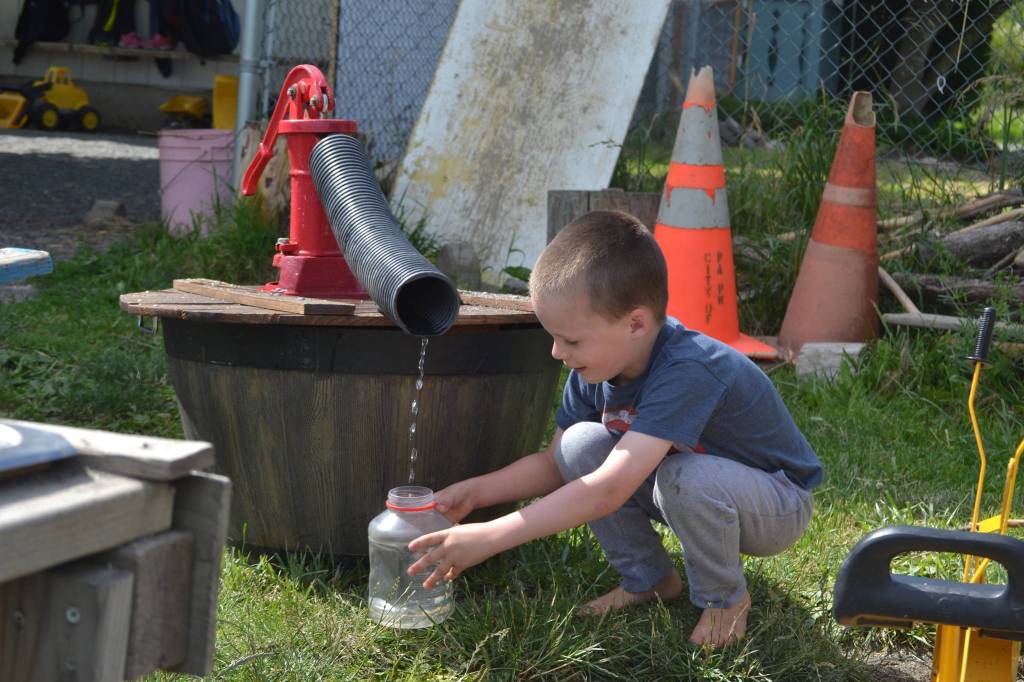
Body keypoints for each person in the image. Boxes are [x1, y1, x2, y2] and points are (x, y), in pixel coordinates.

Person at [408, 210, 823, 647]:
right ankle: (650, 579)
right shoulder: (598, 367)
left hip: (775, 503)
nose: (556, 352)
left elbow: (607, 490)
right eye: (553, 337)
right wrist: (472, 495)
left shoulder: (690, 368)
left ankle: (725, 601)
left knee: (686, 477)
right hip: (684, 491)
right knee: (578, 444)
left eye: (571, 340)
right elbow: (555, 464)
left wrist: (490, 537)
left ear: (636, 324)